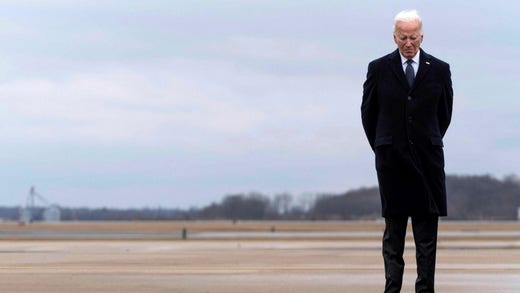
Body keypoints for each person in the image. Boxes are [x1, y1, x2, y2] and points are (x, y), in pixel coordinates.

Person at [361, 9, 453, 293]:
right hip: (392, 163)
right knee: (394, 235)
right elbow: (368, 114)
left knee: (427, 237)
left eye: (413, 37)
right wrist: (383, 145)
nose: (408, 42)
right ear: (394, 37)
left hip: (428, 162)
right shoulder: (378, 68)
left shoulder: (439, 69)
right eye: (403, 37)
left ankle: (425, 289)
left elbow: (444, 114)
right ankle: (392, 288)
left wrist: (426, 140)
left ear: (421, 36)